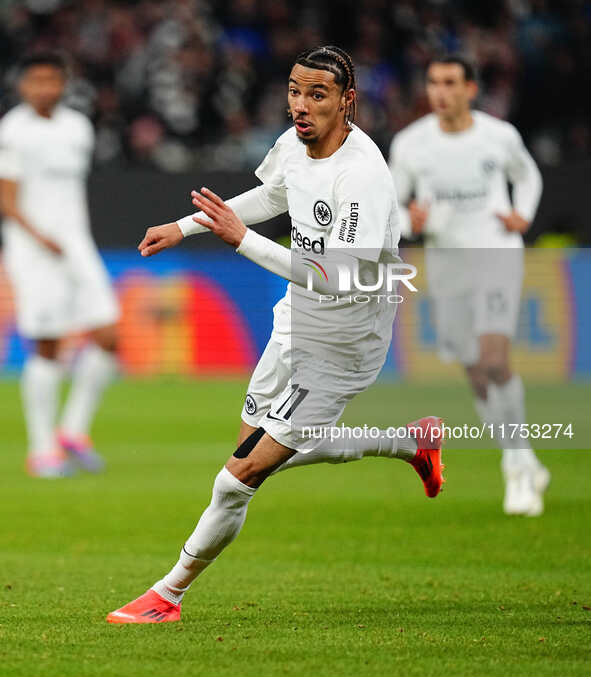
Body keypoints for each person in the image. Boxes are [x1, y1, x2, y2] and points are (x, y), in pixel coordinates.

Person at [106, 46, 444, 625]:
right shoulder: (294, 143)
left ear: (347, 101)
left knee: (239, 475)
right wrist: (186, 226)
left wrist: (242, 241)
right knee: (256, 448)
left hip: (344, 340)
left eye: (317, 94)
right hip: (297, 317)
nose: (301, 105)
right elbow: (273, 195)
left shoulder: (361, 177)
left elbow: (338, 278)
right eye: (294, 90)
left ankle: (168, 594)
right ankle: (411, 443)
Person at [388, 54, 550, 516]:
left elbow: (527, 174)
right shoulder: (410, 144)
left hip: (496, 253)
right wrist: (408, 219)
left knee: (495, 359)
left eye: (451, 82)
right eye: (434, 83)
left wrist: (525, 214)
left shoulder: (498, 136)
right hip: (446, 265)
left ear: (470, 89)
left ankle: (517, 470)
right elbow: (392, 206)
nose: (441, 91)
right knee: (474, 368)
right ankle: (522, 457)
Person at [0, 53, 119, 477]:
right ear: (23, 85)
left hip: (75, 244)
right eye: (36, 80)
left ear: (63, 83)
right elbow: (7, 199)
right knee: (47, 343)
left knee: (109, 334)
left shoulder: (78, 128)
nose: (45, 88)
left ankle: (72, 430)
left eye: (53, 79)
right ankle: (42, 450)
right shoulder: (13, 131)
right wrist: (39, 237)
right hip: (33, 250)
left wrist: (68, 237)